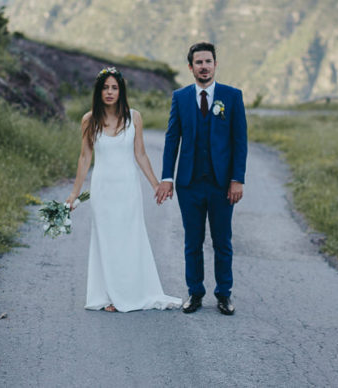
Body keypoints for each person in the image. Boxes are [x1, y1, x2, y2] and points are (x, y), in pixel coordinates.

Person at [67, 66, 181, 312]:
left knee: (129, 239)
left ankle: (130, 292)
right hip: (103, 188)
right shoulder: (89, 120)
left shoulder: (134, 117)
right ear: (99, 91)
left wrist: (156, 184)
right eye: (105, 88)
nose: (109, 92)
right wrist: (74, 194)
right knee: (106, 240)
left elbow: (140, 154)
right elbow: (84, 158)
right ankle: (109, 295)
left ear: (121, 91)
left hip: (128, 187)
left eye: (114, 88)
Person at [155, 42, 247, 315]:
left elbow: (239, 141)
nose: (204, 66)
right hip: (189, 183)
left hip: (221, 184)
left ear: (215, 65)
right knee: (192, 241)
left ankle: (224, 294)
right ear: (191, 67)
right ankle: (195, 292)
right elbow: (172, 139)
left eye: (208, 61)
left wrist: (237, 179)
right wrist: (167, 178)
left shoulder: (232, 97)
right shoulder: (180, 97)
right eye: (199, 62)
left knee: (222, 241)